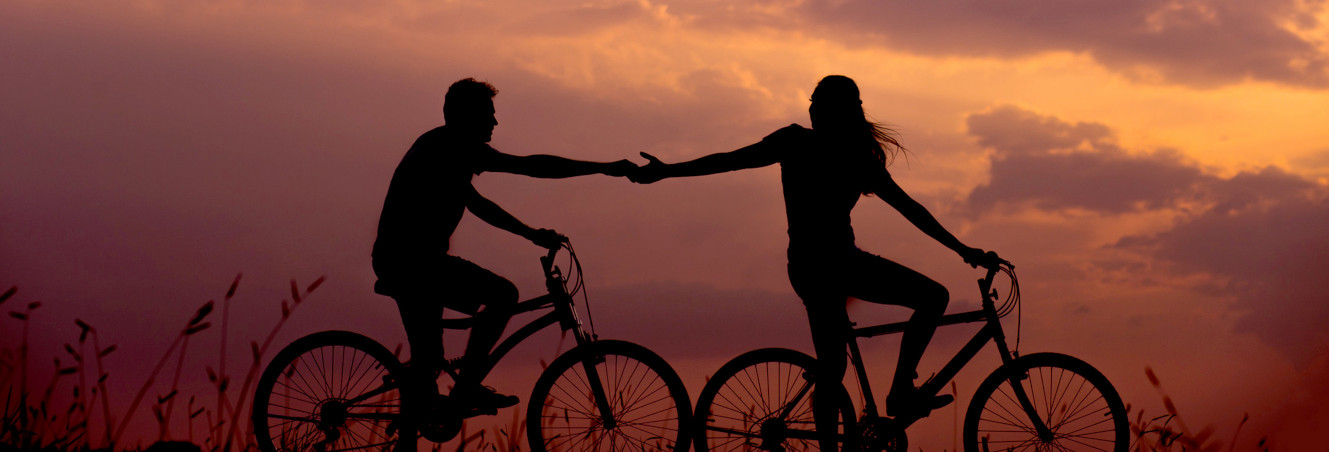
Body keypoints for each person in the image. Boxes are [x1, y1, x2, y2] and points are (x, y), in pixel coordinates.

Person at [629, 75, 1003, 451]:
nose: (810, 108)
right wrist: (668, 170)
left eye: (818, 102)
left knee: (833, 366)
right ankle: (901, 391)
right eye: (812, 101)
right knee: (930, 298)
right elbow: (729, 161)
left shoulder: (830, 150)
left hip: (815, 267)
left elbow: (910, 209)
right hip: (833, 265)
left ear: (837, 111)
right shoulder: (820, 148)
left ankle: (855, 427)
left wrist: (962, 248)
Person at [372, 78, 635, 419]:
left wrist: (530, 233)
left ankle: (436, 398)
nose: (495, 122)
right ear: (467, 115)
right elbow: (530, 166)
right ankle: (465, 388)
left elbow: (476, 203)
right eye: (488, 114)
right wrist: (603, 168)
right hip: (411, 263)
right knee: (502, 295)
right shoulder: (452, 146)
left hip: (414, 262)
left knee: (428, 364)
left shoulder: (444, 149)